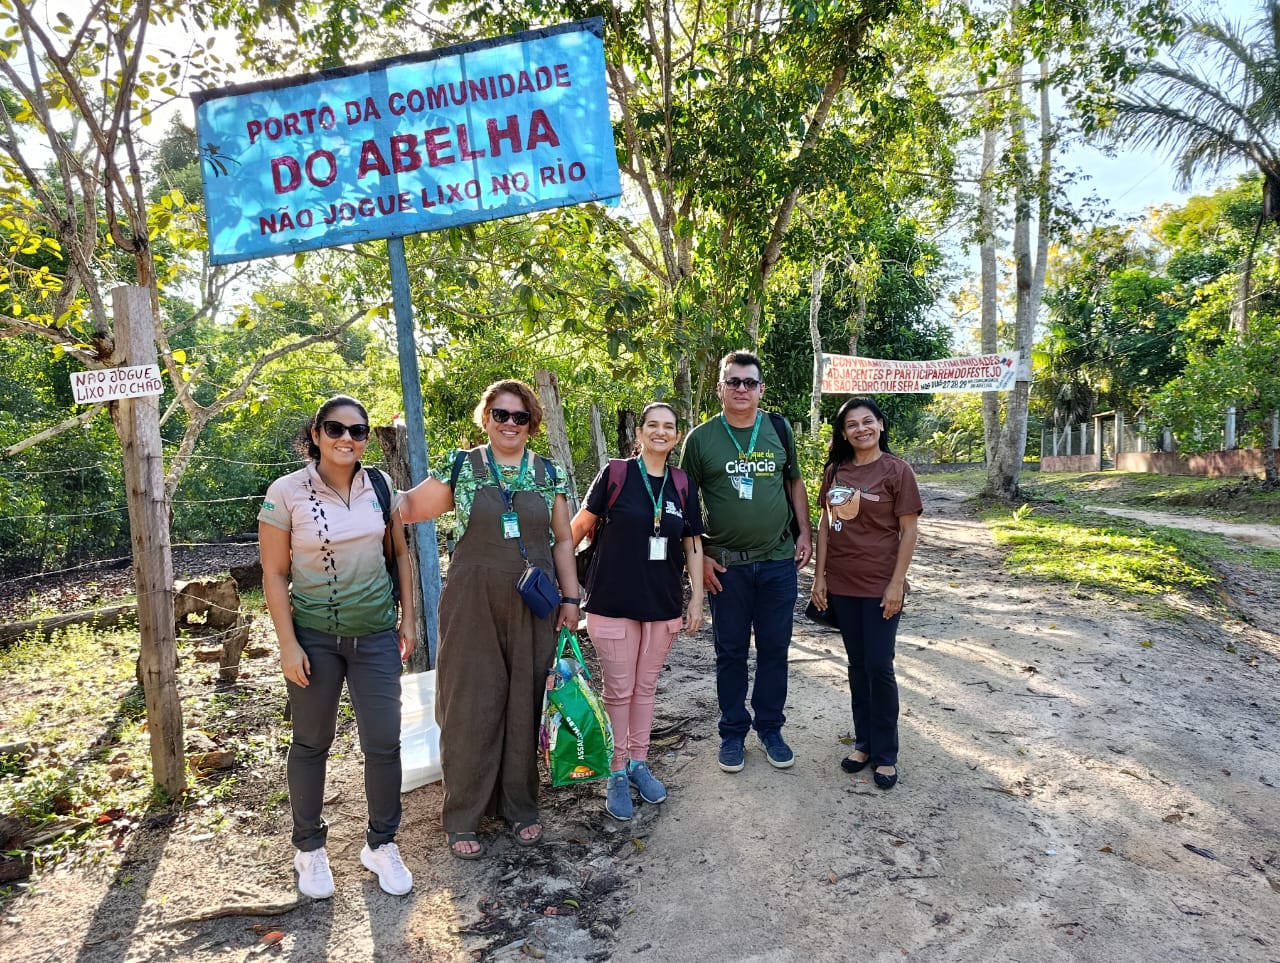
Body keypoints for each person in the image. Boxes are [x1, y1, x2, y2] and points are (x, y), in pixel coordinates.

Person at [398, 379, 580, 859]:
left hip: (533, 603)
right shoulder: (462, 467)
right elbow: (409, 508)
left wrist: (571, 598)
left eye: (520, 417)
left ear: (532, 424)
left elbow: (563, 539)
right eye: (500, 415)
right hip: (471, 601)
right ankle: (464, 816)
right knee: (469, 704)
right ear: (486, 418)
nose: (509, 425)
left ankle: (520, 807)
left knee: (525, 700)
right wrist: (355, 485)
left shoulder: (548, 474)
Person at [259, 395, 417, 899]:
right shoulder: (286, 492)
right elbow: (274, 572)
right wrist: (287, 644)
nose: (347, 438)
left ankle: (381, 844)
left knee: (384, 742)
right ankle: (308, 848)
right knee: (311, 742)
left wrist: (408, 619)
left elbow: (401, 555)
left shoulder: (381, 484)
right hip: (314, 638)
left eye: (358, 430)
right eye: (335, 428)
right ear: (316, 433)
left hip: (375, 636)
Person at [570, 402, 705, 821]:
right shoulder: (616, 474)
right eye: (653, 426)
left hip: (662, 604)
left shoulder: (682, 483)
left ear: (677, 436)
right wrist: (566, 588)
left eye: (669, 427)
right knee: (619, 690)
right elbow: (575, 529)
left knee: (645, 690)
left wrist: (697, 597)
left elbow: (692, 543)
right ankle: (614, 771)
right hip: (611, 602)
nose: (661, 433)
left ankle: (638, 764)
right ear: (640, 432)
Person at [679, 351, 812, 773]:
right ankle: (733, 732)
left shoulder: (778, 428)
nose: (741, 389)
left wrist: (806, 532)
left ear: (761, 389)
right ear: (720, 388)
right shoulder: (700, 440)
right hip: (726, 568)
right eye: (733, 382)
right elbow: (685, 508)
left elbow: (794, 482)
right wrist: (696, 562)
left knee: (775, 649)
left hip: (777, 562)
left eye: (749, 383)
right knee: (731, 653)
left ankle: (771, 728)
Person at [810, 397, 922, 790]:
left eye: (867, 421)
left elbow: (908, 530)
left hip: (880, 584)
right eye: (852, 424)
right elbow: (825, 525)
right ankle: (863, 743)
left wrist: (896, 583)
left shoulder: (897, 471)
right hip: (841, 583)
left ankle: (886, 754)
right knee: (857, 666)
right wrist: (819, 577)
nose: (861, 429)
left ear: (880, 426)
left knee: (879, 665)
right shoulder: (835, 471)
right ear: (843, 434)